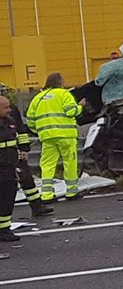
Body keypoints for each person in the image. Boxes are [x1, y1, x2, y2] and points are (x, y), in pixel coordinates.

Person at [26, 73, 87, 203]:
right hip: (66, 135)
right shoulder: (63, 94)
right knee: (69, 161)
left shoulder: (38, 98)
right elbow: (71, 112)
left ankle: (47, 195)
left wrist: (40, 131)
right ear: (60, 82)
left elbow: (30, 120)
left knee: (47, 164)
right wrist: (80, 106)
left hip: (47, 136)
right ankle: (71, 191)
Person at [0, 95, 23, 242]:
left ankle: (4, 229)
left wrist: (23, 150)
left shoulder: (10, 122)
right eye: (5, 107)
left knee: (8, 199)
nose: (9, 110)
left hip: (9, 167)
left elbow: (17, 138)